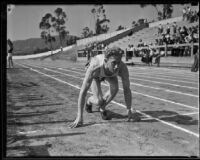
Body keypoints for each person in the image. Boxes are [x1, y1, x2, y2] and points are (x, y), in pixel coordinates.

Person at [69, 46, 140, 128]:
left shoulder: (122, 68)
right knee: (99, 101)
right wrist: (79, 117)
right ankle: (90, 101)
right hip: (96, 75)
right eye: (113, 63)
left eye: (119, 62)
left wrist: (129, 111)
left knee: (115, 88)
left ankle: (102, 108)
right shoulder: (94, 67)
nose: (117, 66)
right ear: (106, 61)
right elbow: (83, 91)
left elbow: (127, 90)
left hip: (110, 75)